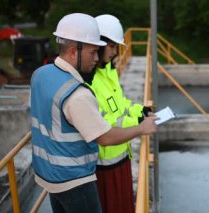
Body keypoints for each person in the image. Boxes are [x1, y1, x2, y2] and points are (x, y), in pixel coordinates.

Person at [30, 13, 157, 213]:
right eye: (93, 51)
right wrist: (140, 127)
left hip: (49, 175)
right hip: (77, 178)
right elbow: (104, 135)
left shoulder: (40, 75)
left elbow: (118, 105)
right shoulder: (78, 92)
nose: (97, 57)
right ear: (73, 51)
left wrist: (139, 112)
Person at [88, 14, 150, 213]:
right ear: (99, 44)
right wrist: (138, 123)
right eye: (112, 46)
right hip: (104, 167)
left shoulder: (108, 71)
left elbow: (120, 104)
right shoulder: (89, 81)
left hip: (121, 157)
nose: (115, 52)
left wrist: (141, 111)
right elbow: (104, 124)